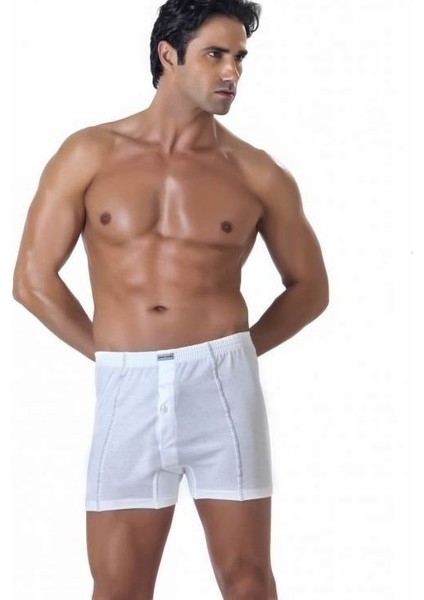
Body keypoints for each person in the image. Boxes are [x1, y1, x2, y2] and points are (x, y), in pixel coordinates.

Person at [12, 0, 329, 598]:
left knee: (247, 579)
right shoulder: (90, 153)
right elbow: (32, 280)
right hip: (124, 384)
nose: (232, 71)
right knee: (118, 585)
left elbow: (311, 287)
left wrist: (232, 354)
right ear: (168, 55)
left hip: (224, 386)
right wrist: (110, 354)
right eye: (216, 55)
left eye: (240, 58)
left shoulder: (256, 172)